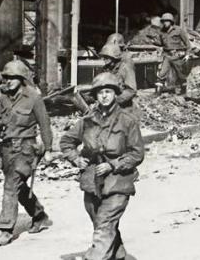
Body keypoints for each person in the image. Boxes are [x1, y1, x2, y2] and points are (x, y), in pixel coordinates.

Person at [61, 72, 145, 260]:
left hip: (118, 182)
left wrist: (113, 165)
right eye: (100, 92)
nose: (104, 96)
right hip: (92, 182)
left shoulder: (127, 121)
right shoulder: (88, 120)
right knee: (101, 223)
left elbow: (137, 153)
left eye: (108, 91)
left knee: (104, 224)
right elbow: (66, 141)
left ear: (115, 93)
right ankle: (119, 254)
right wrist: (76, 158)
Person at [0, 59, 53, 246]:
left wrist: (48, 149)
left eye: (12, 78)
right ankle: (39, 215)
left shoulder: (34, 98)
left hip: (26, 149)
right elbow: (3, 118)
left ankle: (5, 229)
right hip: (7, 149)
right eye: (6, 78)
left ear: (21, 78)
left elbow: (45, 124)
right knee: (18, 188)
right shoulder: (4, 97)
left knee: (11, 186)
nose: (8, 81)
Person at [155, 13, 192, 95]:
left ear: (171, 22)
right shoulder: (162, 32)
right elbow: (160, 43)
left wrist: (187, 54)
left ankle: (183, 93)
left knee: (181, 75)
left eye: (167, 21)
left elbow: (188, 44)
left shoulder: (178, 30)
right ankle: (158, 93)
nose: (165, 23)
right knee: (161, 73)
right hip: (167, 55)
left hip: (177, 56)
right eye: (164, 21)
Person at [98, 43, 137, 109]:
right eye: (103, 57)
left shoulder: (125, 68)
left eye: (106, 57)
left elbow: (131, 91)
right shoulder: (106, 69)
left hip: (124, 105)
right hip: (107, 102)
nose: (104, 59)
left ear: (114, 57)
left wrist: (115, 100)